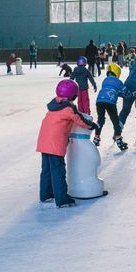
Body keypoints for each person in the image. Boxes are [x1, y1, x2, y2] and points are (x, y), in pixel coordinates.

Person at [37, 80, 97, 208]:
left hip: (44, 142)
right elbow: (79, 120)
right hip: (54, 144)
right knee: (58, 170)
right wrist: (92, 126)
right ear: (74, 96)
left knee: (47, 169)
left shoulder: (55, 105)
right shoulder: (68, 109)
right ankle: (62, 199)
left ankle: (46, 195)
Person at [94, 62, 128, 151]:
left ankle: (96, 137)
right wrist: (130, 94)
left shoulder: (105, 80)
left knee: (100, 119)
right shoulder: (118, 81)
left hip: (99, 101)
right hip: (110, 102)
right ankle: (118, 138)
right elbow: (124, 92)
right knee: (115, 121)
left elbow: (109, 89)